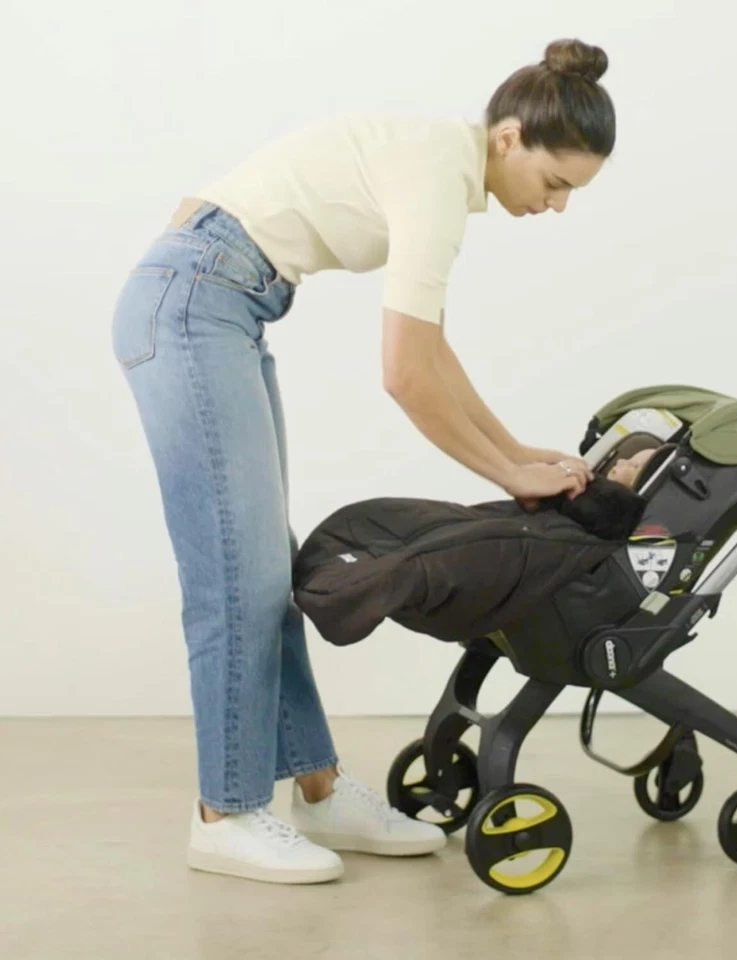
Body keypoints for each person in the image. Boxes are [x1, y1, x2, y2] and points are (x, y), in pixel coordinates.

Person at [111, 38, 617, 886]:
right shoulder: (437, 176)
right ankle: (225, 814)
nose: (558, 205)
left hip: (220, 303)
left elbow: (433, 352)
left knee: (263, 572)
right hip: (196, 304)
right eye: (556, 181)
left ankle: (316, 788)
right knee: (233, 579)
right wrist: (507, 477)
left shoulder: (441, 161)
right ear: (508, 139)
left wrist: (518, 452)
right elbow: (405, 375)